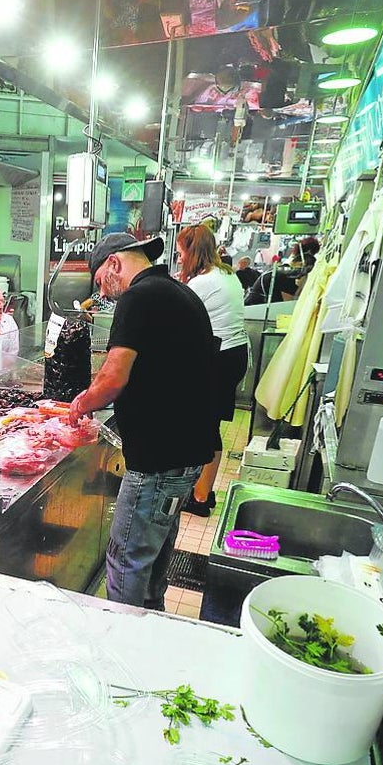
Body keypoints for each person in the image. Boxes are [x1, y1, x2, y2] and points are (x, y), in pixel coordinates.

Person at [68, 233, 218, 610]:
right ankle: (152, 621)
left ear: (115, 264)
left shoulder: (139, 297)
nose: (104, 291)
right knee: (153, 556)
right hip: (184, 455)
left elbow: (113, 378)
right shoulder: (177, 292)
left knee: (125, 559)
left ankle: (122, 642)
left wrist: (80, 405)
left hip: (158, 460)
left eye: (102, 280)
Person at [175, 225, 249, 516]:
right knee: (210, 425)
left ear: (193, 252)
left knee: (205, 428)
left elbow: (179, 325)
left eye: (181, 252)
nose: (180, 258)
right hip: (234, 355)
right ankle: (203, 489)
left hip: (219, 358)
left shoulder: (201, 284)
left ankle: (201, 497)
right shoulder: (227, 274)